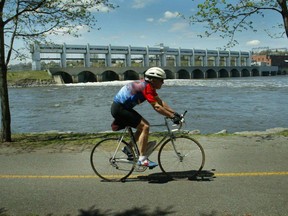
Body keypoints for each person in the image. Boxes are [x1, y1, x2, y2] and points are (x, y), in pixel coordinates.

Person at [110, 67, 182, 167]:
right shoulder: (146, 87)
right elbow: (156, 107)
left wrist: (174, 113)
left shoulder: (148, 86)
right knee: (145, 126)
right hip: (120, 109)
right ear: (153, 80)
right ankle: (142, 159)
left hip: (123, 108)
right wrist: (171, 116)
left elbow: (160, 102)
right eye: (161, 80)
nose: (163, 82)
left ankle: (128, 148)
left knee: (141, 128)